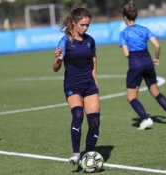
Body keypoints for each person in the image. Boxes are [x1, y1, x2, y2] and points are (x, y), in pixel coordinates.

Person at [119, 0, 166, 130]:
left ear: (125, 17)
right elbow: (157, 45)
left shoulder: (124, 33)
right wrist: (156, 58)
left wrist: (134, 55)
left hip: (135, 64)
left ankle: (146, 119)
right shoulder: (144, 29)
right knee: (156, 92)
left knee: (131, 97)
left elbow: (125, 54)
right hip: (148, 62)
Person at [52, 8, 100, 165]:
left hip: (89, 84)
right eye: (83, 25)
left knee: (94, 122)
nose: (85, 28)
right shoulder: (65, 41)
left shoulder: (90, 40)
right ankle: (76, 154)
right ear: (73, 23)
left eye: (88, 25)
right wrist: (58, 59)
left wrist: (95, 78)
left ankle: (88, 155)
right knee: (78, 115)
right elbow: (55, 68)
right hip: (72, 84)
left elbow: (93, 58)